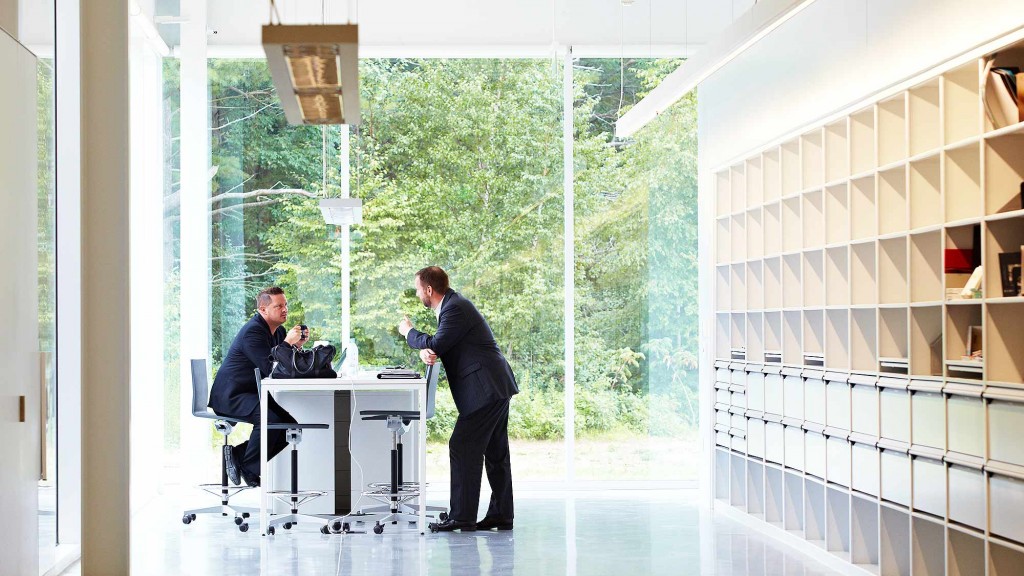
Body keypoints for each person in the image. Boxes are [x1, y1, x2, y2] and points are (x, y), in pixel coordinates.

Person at [398, 266, 519, 532]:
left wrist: (409, 332)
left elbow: (438, 344)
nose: (418, 294)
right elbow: (440, 344)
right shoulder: (454, 306)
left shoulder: (454, 308)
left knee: (462, 445)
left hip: (485, 390)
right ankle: (501, 514)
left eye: (418, 289)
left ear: (429, 289)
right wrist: (425, 351)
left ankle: (462, 517)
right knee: (496, 452)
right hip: (494, 386)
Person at [209, 286, 307, 487]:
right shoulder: (253, 332)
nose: (284, 309)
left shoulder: (277, 331)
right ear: (263, 310)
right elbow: (270, 367)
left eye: (285, 305)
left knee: (290, 426)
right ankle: (249, 467)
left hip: (252, 393)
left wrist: (297, 346)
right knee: (271, 420)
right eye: (278, 306)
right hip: (233, 395)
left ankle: (239, 456)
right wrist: (288, 343)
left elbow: (284, 364)